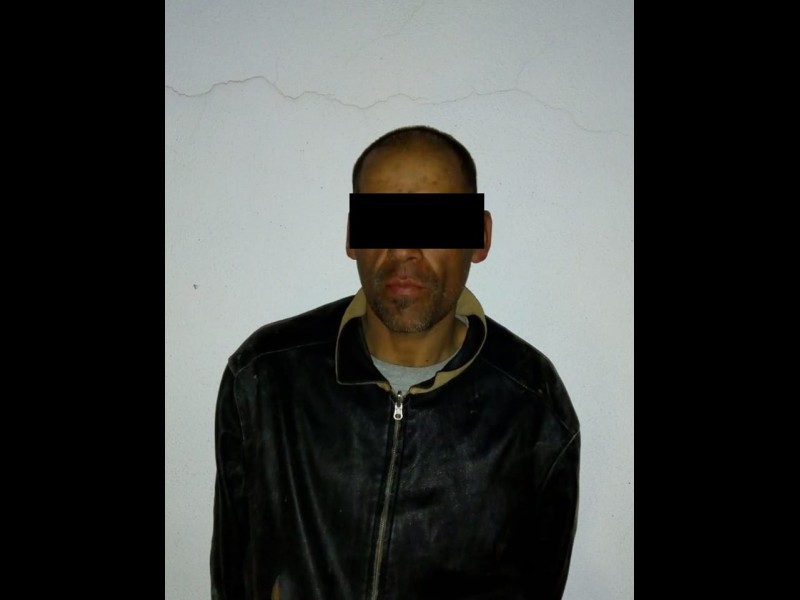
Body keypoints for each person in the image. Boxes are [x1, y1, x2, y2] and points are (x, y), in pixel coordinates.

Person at [211, 125, 580, 600]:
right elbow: (234, 575)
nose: (404, 249)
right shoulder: (264, 379)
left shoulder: (534, 409)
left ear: (480, 236)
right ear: (353, 236)